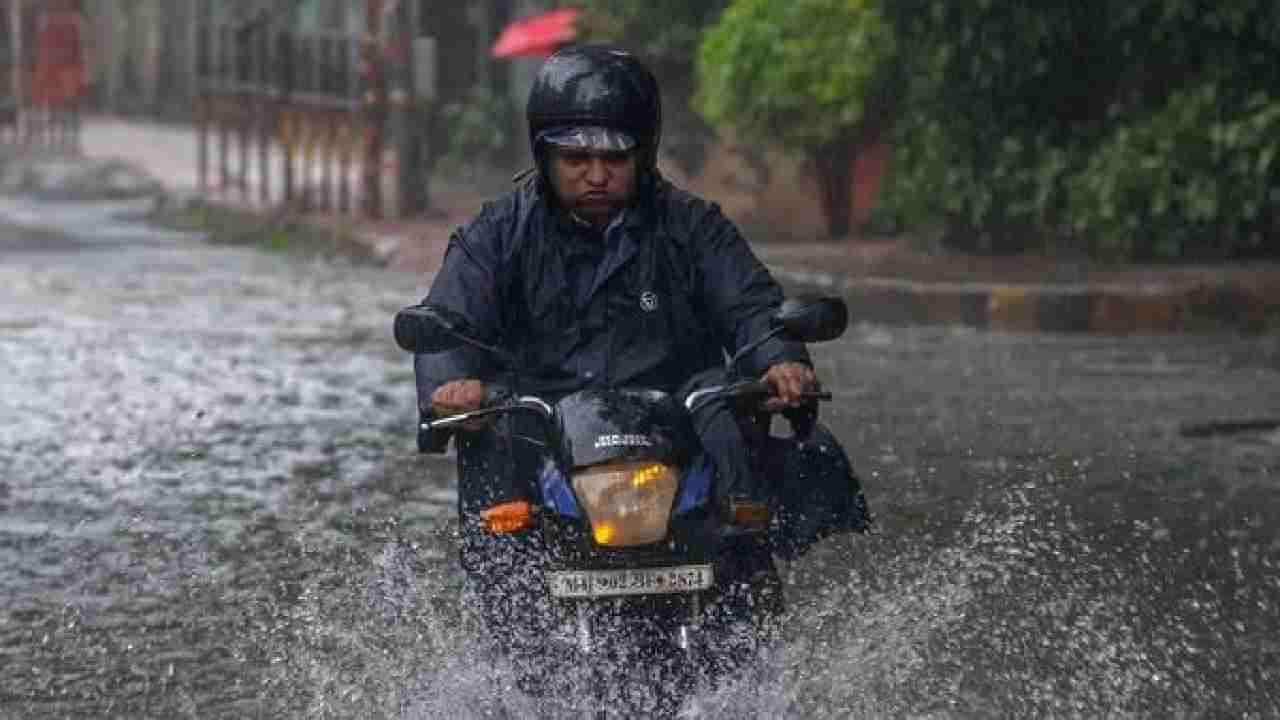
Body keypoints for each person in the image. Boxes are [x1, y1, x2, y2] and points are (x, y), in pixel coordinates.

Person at [414, 45, 815, 534]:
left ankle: (742, 577)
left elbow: (753, 306)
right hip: (541, 424)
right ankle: (508, 598)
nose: (597, 175)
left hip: (677, 424)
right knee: (494, 442)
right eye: (577, 158)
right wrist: (451, 387)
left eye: (615, 157)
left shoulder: (695, 227)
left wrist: (780, 361)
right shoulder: (498, 233)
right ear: (545, 155)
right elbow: (449, 322)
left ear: (642, 155)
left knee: (730, 420)